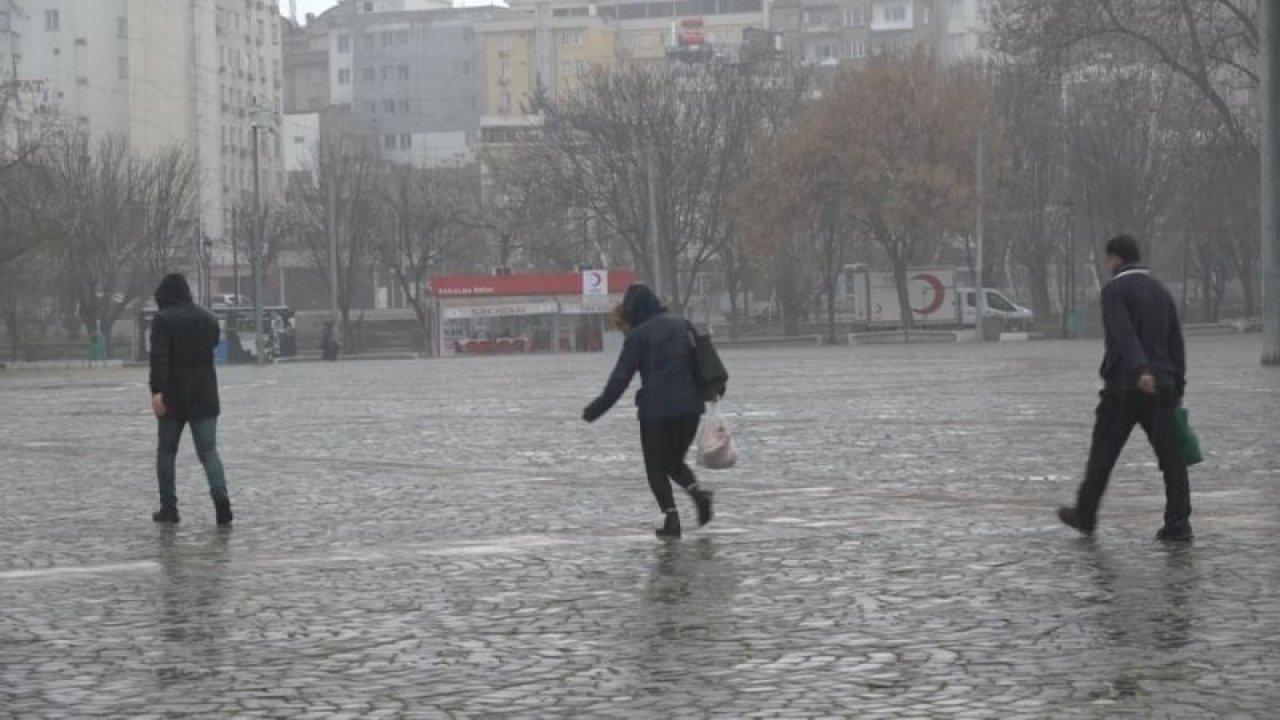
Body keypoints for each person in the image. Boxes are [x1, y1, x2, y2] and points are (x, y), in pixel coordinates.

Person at [1058, 235, 1191, 541]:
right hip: (1164, 387)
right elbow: (1176, 342)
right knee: (1172, 458)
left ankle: (1085, 515)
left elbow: (1124, 333)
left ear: (1115, 259)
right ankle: (1178, 522)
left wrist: (1139, 370)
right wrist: (1179, 382)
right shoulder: (1161, 291)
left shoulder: (1115, 290)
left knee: (1103, 453)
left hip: (1124, 386)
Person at [583, 284, 714, 539]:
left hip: (656, 411)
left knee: (655, 464)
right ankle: (698, 493)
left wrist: (595, 409)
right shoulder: (683, 324)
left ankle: (671, 518)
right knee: (674, 461)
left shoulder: (638, 336)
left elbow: (620, 380)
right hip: (690, 408)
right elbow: (705, 359)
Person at [149, 274, 232, 526]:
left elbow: (160, 358)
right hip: (205, 395)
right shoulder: (208, 318)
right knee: (208, 451)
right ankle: (222, 506)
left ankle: (169, 508)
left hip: (173, 397)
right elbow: (213, 343)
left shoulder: (162, 320)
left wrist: (157, 391)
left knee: (167, 451)